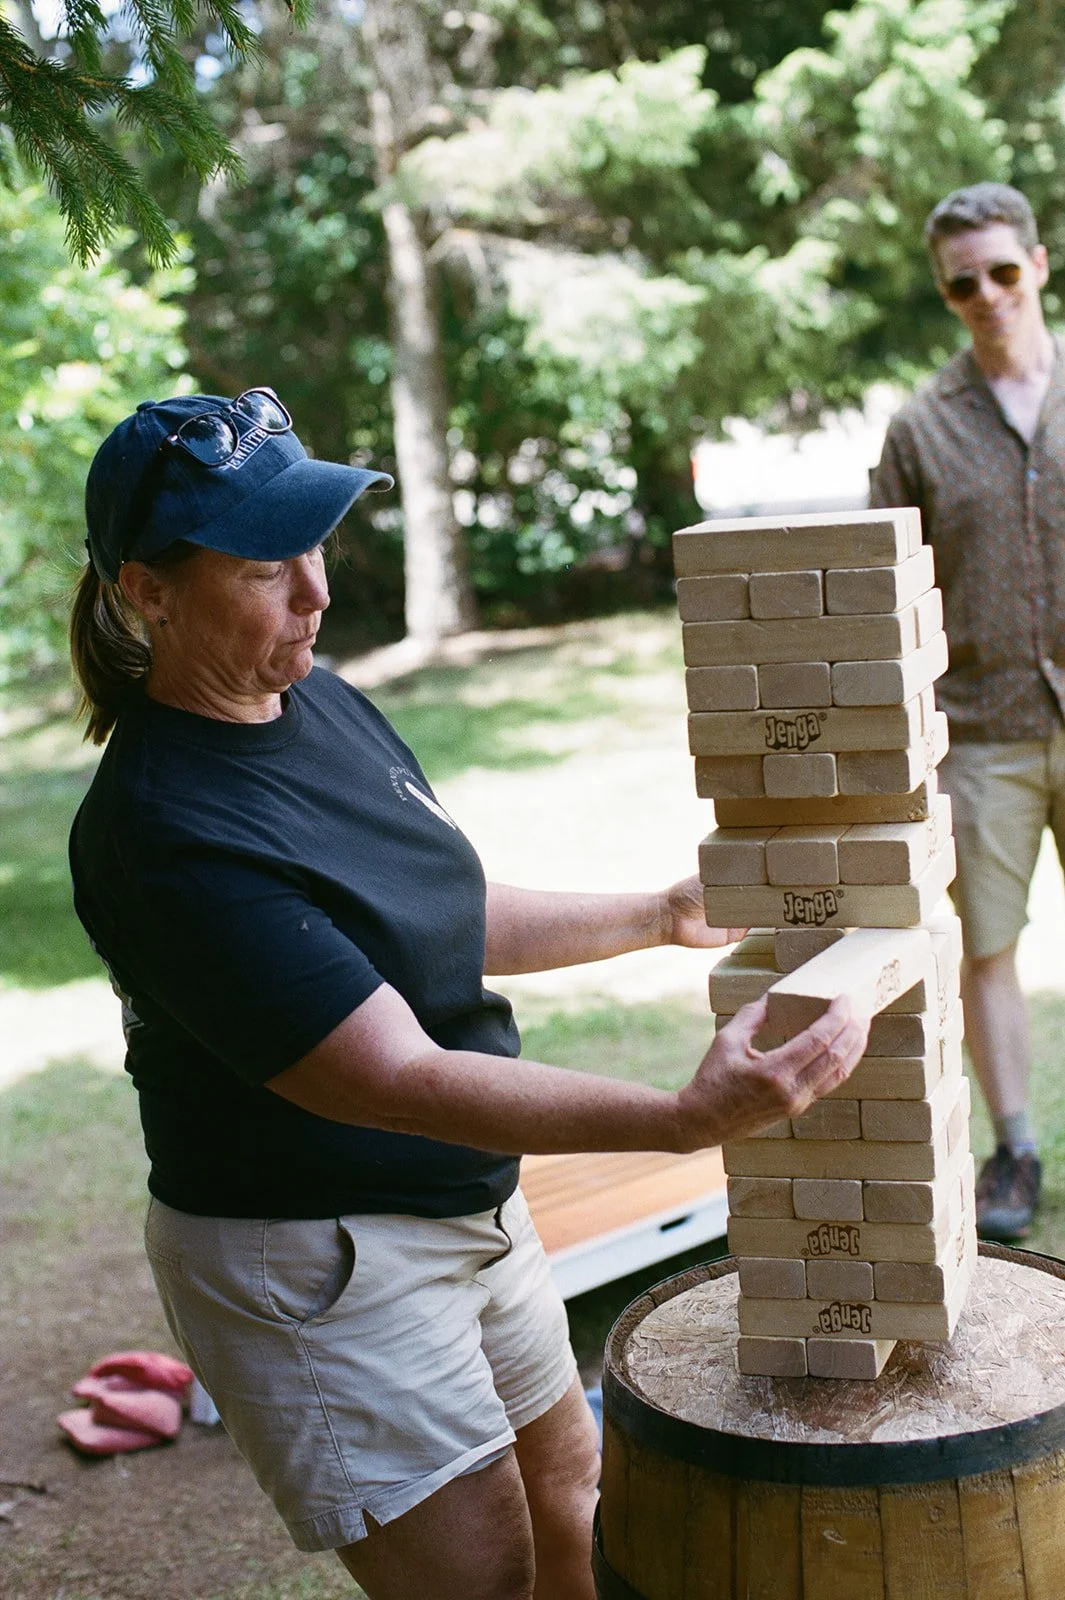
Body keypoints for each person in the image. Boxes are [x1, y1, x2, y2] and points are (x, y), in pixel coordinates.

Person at [68, 388, 870, 1600]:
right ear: (148, 589)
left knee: (572, 1499)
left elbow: (437, 913)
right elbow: (400, 1077)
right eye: (262, 566)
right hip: (322, 1263)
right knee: (485, 1581)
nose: (316, 591)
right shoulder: (166, 831)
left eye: (314, 544)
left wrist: (651, 918)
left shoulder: (318, 700)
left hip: (466, 1208)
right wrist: (678, 1118)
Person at [870, 181, 1065, 1241]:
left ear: (1037, 264)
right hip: (982, 728)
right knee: (988, 948)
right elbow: (882, 585)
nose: (986, 293)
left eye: (1002, 269)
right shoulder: (919, 427)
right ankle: (1019, 1148)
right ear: (945, 294)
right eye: (962, 281)